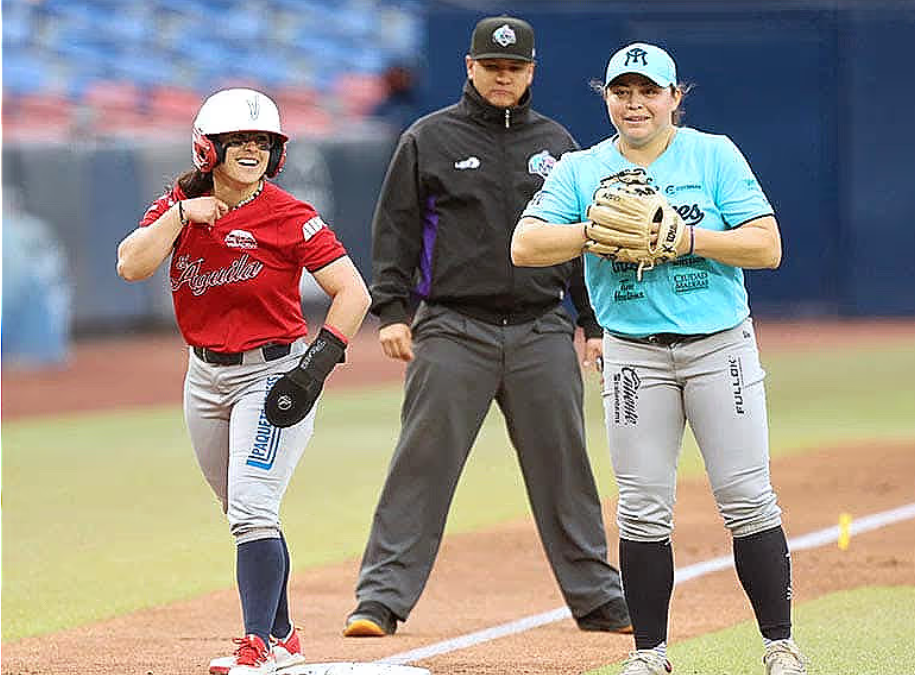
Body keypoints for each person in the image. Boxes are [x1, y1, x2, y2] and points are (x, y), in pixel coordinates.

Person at [512, 43, 807, 675]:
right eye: (623, 92)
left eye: (650, 91)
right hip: (632, 355)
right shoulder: (581, 168)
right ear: (608, 99)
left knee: (748, 498)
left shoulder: (713, 153)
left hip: (717, 347)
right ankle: (650, 655)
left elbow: (767, 246)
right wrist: (595, 228)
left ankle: (780, 647)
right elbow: (526, 244)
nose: (636, 103)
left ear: (676, 97)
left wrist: (685, 237)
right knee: (642, 507)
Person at [343, 15, 630, 639]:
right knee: (420, 466)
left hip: (540, 330)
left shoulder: (557, 144)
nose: (504, 77)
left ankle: (598, 599)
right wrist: (392, 311)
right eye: (493, 67)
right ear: (470, 67)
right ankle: (380, 602)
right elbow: (393, 230)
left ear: (531, 72)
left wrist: (592, 321)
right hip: (453, 328)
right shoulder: (428, 138)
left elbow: (579, 240)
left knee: (566, 471)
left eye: (515, 68)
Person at [116, 88, 371, 675]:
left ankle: (258, 644)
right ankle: (283, 636)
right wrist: (181, 214)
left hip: (273, 372)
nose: (252, 150)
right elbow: (131, 266)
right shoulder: (177, 206)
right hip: (203, 376)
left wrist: (316, 366)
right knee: (241, 507)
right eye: (239, 141)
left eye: (263, 142)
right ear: (210, 148)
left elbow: (352, 292)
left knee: (253, 509)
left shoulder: (290, 215)